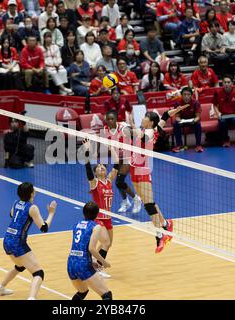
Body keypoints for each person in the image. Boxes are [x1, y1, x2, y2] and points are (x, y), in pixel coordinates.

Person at [0, 182, 56, 299]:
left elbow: (12, 215)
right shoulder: (32, 207)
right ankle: (31, 298)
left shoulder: (16, 203)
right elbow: (43, 228)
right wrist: (51, 213)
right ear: (32, 193)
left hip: (7, 240)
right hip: (18, 242)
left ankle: (0, 288)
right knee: (38, 273)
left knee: (20, 266)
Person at [128, 111, 174, 253]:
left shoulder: (148, 133)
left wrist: (132, 125)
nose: (143, 119)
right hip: (133, 169)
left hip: (143, 171)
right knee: (149, 201)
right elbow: (164, 117)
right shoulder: (152, 129)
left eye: (145, 117)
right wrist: (174, 110)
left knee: (148, 205)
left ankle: (159, 235)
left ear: (150, 122)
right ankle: (166, 224)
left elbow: (141, 136)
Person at [82, 139, 118, 278]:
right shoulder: (95, 183)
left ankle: (92, 262)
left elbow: (116, 165)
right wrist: (87, 151)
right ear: (96, 172)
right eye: (99, 167)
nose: (102, 167)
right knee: (106, 242)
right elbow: (87, 170)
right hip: (98, 218)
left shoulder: (108, 181)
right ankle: (98, 267)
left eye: (103, 167)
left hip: (108, 218)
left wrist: (112, 148)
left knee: (108, 244)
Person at [67, 201, 113, 300]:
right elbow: (91, 248)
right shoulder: (96, 227)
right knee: (107, 295)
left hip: (71, 263)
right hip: (83, 264)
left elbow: (79, 246)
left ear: (84, 212)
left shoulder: (76, 225)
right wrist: (103, 262)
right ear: (97, 214)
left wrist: (91, 261)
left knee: (82, 292)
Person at [102, 109, 142, 214]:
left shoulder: (124, 128)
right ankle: (126, 202)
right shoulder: (105, 130)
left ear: (116, 120)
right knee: (118, 183)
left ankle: (136, 199)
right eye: (108, 119)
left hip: (129, 156)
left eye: (112, 119)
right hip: (118, 157)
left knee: (119, 180)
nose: (110, 121)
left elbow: (138, 135)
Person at [212, 76, 235, 150]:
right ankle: (226, 140)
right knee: (222, 122)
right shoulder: (217, 93)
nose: (226, 84)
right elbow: (214, 105)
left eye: (228, 82)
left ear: (232, 83)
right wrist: (218, 113)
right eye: (225, 82)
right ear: (222, 84)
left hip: (234, 115)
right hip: (223, 115)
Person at [171, 87, 203, 153]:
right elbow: (177, 116)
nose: (186, 96)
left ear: (191, 95)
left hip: (193, 121)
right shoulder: (178, 103)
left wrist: (194, 120)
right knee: (175, 124)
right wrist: (179, 120)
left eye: (188, 94)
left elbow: (198, 117)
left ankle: (198, 145)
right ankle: (179, 145)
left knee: (198, 124)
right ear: (181, 95)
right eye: (184, 94)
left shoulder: (195, 103)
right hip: (182, 121)